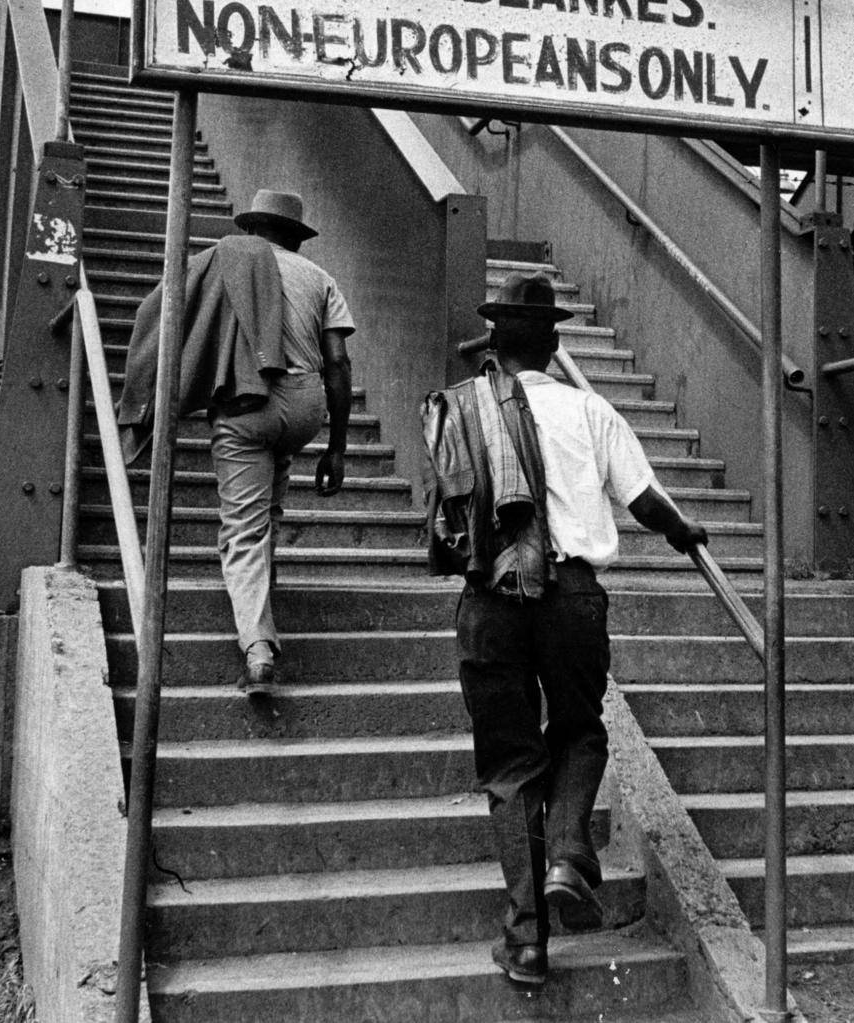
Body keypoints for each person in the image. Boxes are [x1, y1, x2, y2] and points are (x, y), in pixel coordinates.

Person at [420, 272, 708, 990]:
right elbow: (646, 500)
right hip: (572, 595)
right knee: (580, 729)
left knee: (511, 767)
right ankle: (570, 852)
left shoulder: (465, 410)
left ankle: (525, 943)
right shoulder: (591, 410)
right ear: (553, 342)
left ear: (494, 344)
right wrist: (686, 532)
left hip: (489, 599)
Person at [118, 188, 354, 694]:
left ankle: (258, 648)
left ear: (251, 231)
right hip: (306, 406)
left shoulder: (223, 262)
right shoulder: (320, 277)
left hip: (249, 403)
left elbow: (161, 312)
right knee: (269, 510)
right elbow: (338, 363)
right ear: (296, 237)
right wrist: (337, 447)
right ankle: (262, 602)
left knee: (242, 529)